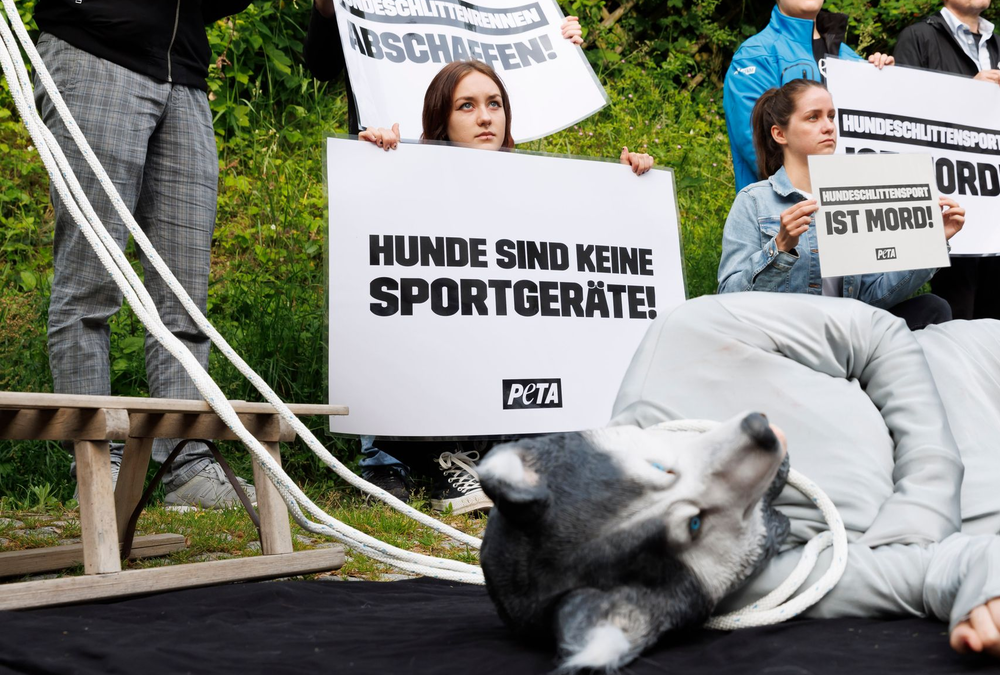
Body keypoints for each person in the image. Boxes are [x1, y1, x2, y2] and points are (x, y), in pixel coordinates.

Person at [591, 292, 1000, 667]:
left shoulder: (681, 335)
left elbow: (877, 336)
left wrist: (926, 495)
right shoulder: (713, 580)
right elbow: (931, 574)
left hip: (999, 388)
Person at [354, 61, 653, 514]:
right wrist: (377, 163)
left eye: (494, 104)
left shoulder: (541, 186)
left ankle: (499, 459)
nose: (485, 117)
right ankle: (423, 460)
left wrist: (626, 187)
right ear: (442, 119)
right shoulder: (407, 178)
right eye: (467, 106)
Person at [31, 0, 257, 508]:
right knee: (91, 282)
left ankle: (181, 465)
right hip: (95, 51)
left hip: (185, 74)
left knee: (184, 296)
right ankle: (96, 466)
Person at [717, 79, 961, 330]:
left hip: (848, 333)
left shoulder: (854, 195)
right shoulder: (754, 201)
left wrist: (932, 241)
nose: (828, 127)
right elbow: (728, 297)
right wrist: (780, 248)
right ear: (780, 133)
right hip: (789, 338)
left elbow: (873, 298)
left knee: (933, 307)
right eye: (813, 117)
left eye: (831, 117)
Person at [893, 0, 1000, 322]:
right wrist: (964, 93)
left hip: (995, 192)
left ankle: (998, 371)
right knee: (955, 305)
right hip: (947, 191)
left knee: (999, 310)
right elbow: (900, 113)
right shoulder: (918, 38)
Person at [304, 0, 585, 133]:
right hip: (388, 147)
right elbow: (322, 67)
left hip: (481, 162)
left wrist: (555, 39)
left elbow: (509, 55)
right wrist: (326, 9)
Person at [723, 0, 894, 192]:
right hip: (783, 214)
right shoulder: (755, 57)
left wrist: (885, 81)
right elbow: (759, 148)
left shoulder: (850, 59)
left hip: (851, 210)